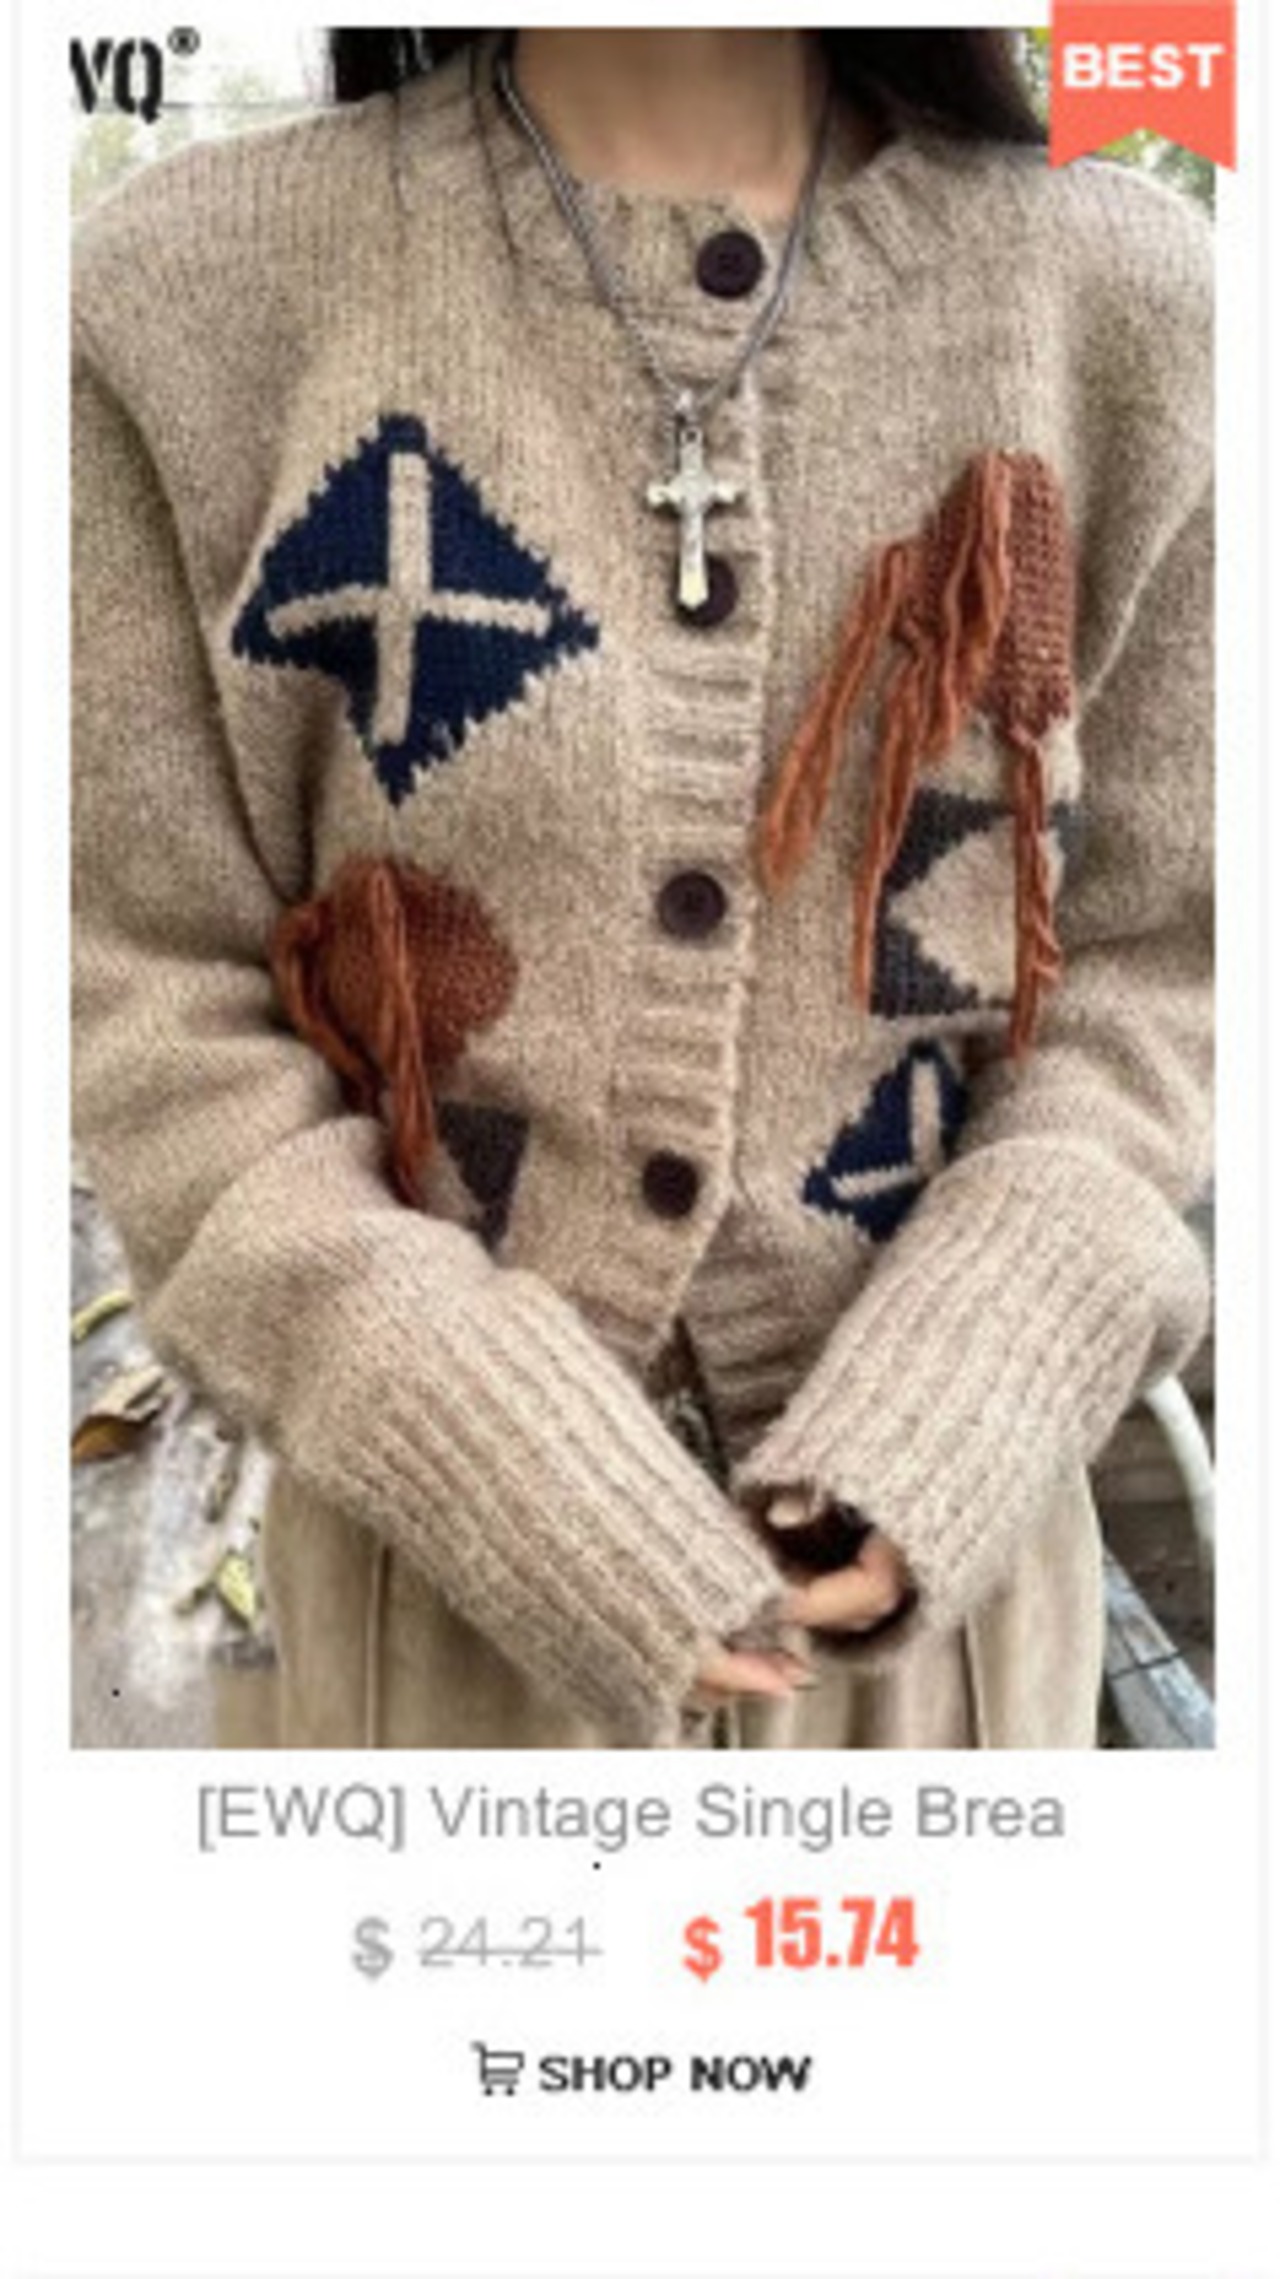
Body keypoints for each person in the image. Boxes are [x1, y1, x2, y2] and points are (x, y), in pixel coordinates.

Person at [71, 29, 1213, 1750]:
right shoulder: (180, 299)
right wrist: (459, 1419)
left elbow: (1169, 968)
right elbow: (145, 989)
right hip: (420, 1631)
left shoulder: (1132, 306)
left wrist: (967, 1385)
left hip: (944, 1649)